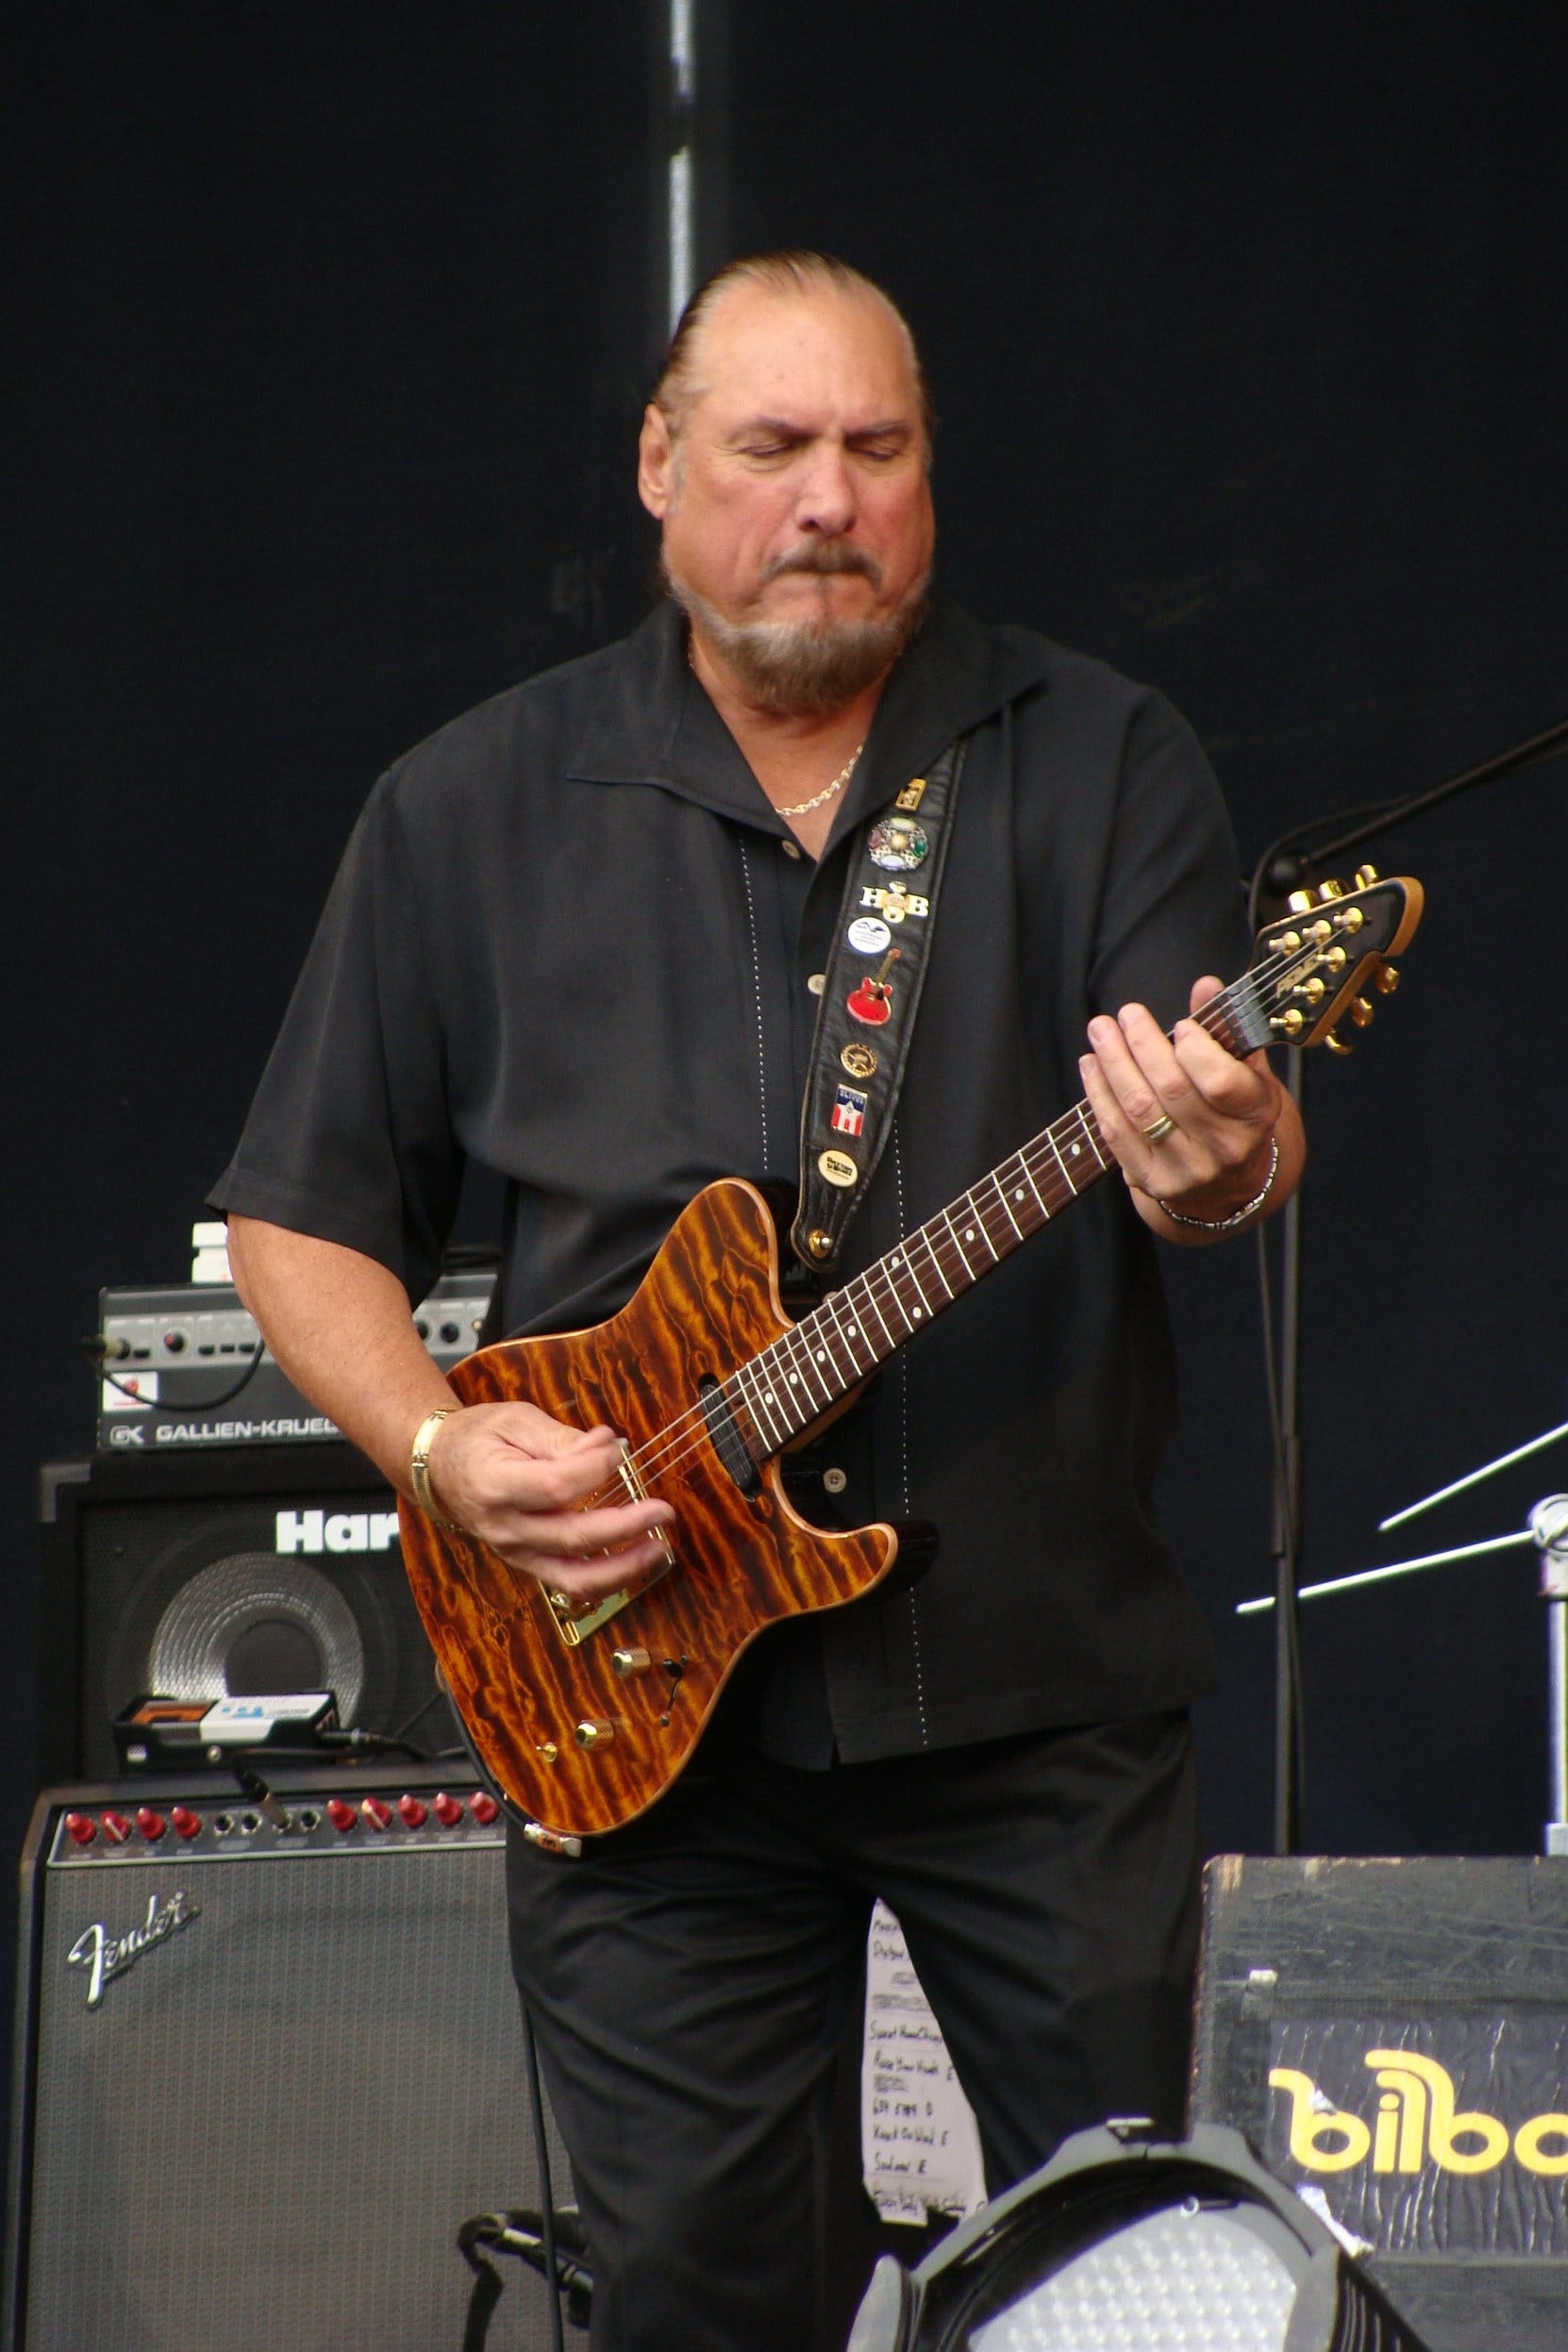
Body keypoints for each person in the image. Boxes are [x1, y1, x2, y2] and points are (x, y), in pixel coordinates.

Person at [212, 250, 1304, 2352]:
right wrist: (439, 1448)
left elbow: (1228, 1141)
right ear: (657, 463)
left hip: (1031, 1689)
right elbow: (299, 1218)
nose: (828, 499)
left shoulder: (1097, 755)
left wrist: (1223, 1154)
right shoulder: (473, 802)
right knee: (702, 2299)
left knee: (1134, 2285)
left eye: (877, 449)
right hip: (633, 1712)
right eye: (773, 445)